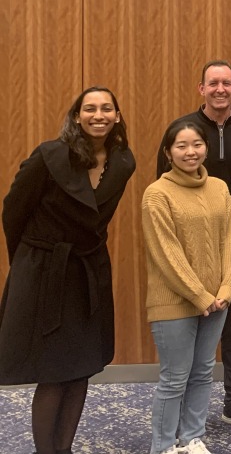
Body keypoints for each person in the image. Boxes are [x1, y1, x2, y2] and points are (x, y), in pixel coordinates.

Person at [0, 87, 135, 454]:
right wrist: (28, 262)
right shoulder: (50, 155)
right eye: (89, 108)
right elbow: (14, 210)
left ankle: (65, 449)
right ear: (77, 116)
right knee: (53, 372)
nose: (99, 115)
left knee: (80, 367)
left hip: (88, 270)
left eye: (107, 108)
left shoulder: (123, 161)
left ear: (117, 116)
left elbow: (99, 220)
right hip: (44, 270)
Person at [157, 60, 231, 434]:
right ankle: (184, 406)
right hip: (188, 246)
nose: (220, 89)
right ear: (200, 88)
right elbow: (165, 184)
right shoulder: (183, 131)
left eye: (227, 83)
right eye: (213, 83)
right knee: (189, 325)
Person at [142, 120, 231, 454]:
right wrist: (200, 296)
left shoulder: (220, 188)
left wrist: (226, 289)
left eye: (196, 144)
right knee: (174, 379)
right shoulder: (157, 193)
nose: (190, 151)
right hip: (175, 302)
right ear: (168, 152)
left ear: (206, 148)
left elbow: (229, 242)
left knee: (202, 373)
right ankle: (164, 446)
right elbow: (166, 254)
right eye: (181, 146)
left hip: (217, 302)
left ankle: (192, 439)